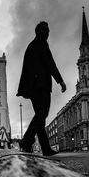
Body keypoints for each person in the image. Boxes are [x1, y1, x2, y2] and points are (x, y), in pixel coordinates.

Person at [17, 21, 66, 156]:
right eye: (44, 30)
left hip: (33, 87)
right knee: (42, 113)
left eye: (48, 30)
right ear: (38, 32)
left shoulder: (31, 46)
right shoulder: (41, 44)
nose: (47, 32)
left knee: (40, 116)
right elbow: (50, 63)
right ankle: (27, 140)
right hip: (40, 85)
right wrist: (60, 81)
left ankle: (45, 148)